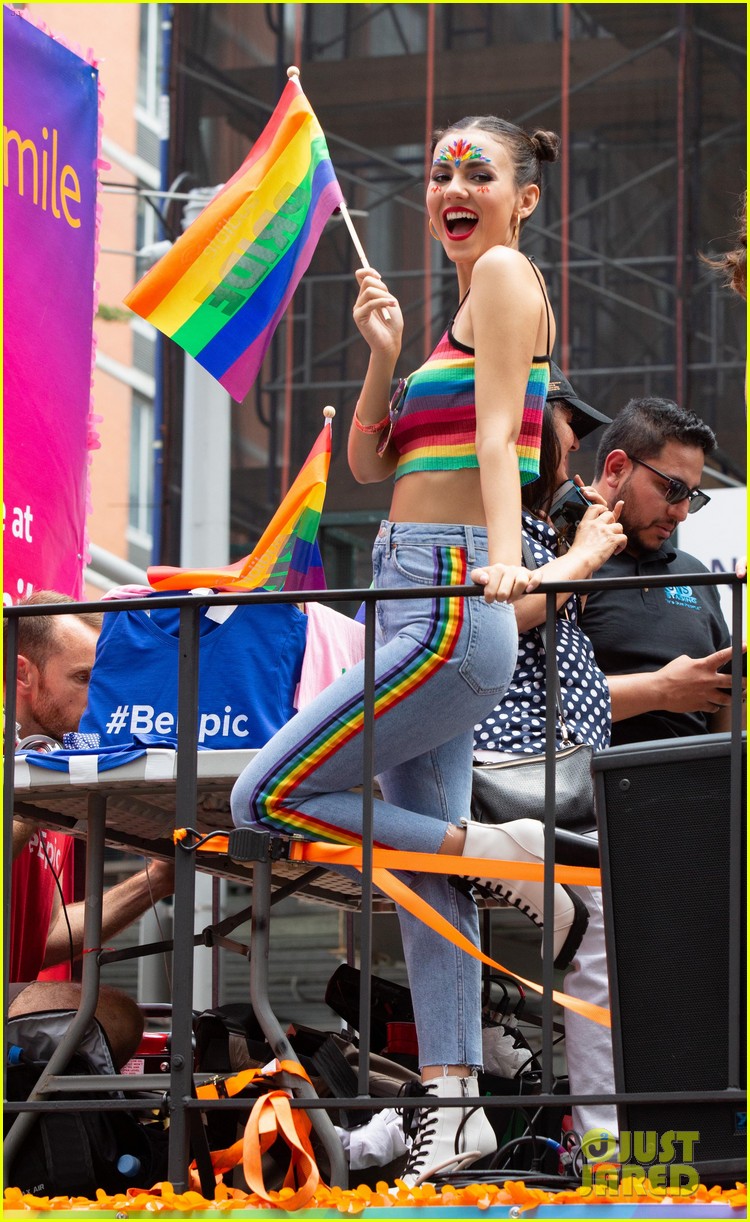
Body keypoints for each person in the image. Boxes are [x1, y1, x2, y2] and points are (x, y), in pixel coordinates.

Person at [232, 115, 596, 1183]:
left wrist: (503, 559)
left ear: (524, 197)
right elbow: (370, 461)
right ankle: (453, 1101)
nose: (454, 184)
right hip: (410, 586)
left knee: (267, 796)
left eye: (477, 171)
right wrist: (386, 351)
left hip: (446, 592)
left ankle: (514, 860)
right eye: (440, 169)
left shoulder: (507, 274)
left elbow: (498, 443)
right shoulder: (456, 312)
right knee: (417, 861)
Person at [474, 368, 625, 1142]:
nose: (577, 446)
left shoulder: (540, 532)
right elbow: (503, 619)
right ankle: (603, 1139)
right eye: (570, 428)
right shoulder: (495, 526)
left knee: (613, 930)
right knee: (603, 929)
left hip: (558, 773)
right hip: (512, 771)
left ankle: (604, 1128)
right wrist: (586, 557)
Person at [6, 591, 174, 1069]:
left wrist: (155, 881)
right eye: (82, 679)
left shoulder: (54, 763)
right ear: (23, 674)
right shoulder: (40, 777)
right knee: (110, 1015)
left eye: (106, 682)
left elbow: (42, 937)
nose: (95, 700)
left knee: (130, 1019)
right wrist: (36, 802)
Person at [581, 399, 735, 745]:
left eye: (692, 496)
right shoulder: (560, 561)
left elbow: (725, 720)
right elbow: (533, 701)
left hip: (698, 790)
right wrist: (661, 690)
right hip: (589, 790)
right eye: (673, 489)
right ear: (616, 467)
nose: (682, 512)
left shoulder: (693, 573)